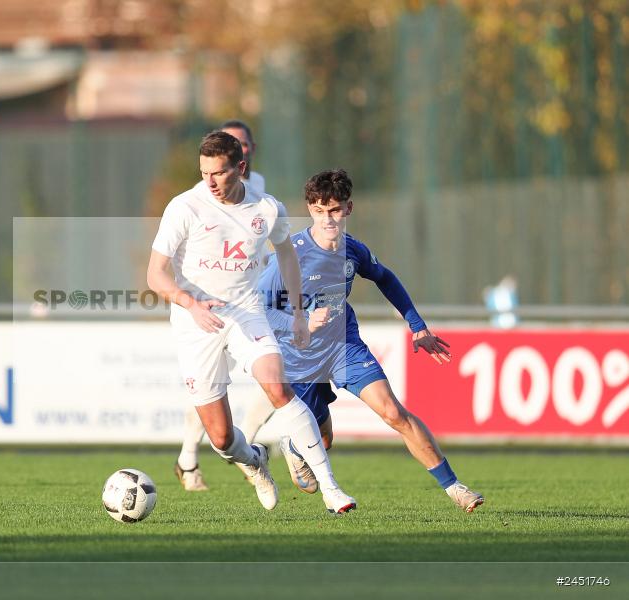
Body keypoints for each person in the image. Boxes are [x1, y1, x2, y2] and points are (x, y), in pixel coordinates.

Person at [148, 131, 356, 514]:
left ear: (240, 167)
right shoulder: (184, 207)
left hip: (246, 311)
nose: (210, 182)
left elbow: (287, 255)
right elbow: (155, 274)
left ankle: (331, 489)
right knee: (222, 438)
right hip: (196, 323)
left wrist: (298, 313)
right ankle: (254, 460)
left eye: (218, 173)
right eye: (204, 173)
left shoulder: (267, 209)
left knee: (279, 387)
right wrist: (191, 304)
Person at [259, 168, 484, 512]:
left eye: (335, 210)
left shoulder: (353, 250)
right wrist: (298, 322)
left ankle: (455, 488)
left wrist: (417, 325)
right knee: (323, 440)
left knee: (392, 411)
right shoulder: (291, 255)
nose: (327, 219)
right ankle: (293, 445)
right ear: (310, 210)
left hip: (343, 345)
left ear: (348, 208)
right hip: (299, 356)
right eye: (319, 211)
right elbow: (259, 308)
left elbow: (385, 277)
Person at [174, 119, 276, 492]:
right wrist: (189, 300)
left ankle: (248, 447)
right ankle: (189, 458)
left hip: (251, 300)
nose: (238, 147)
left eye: (243, 143)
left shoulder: (259, 189)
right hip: (207, 308)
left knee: (278, 375)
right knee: (209, 391)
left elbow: (266, 239)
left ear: (247, 154)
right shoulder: (196, 198)